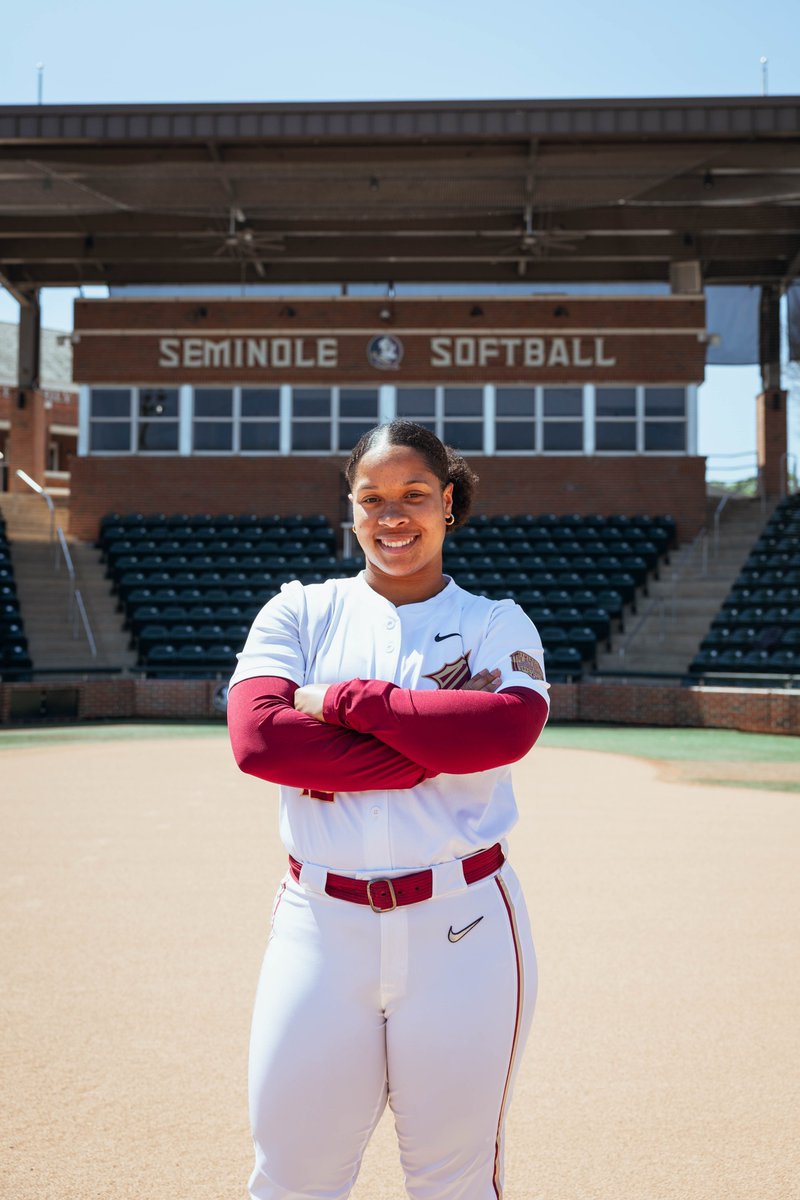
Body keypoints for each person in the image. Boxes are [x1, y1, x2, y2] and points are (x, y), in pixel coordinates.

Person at [227, 420, 550, 1200]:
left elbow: (507, 728)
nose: (392, 515)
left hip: (463, 923)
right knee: (291, 1177)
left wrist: (343, 702)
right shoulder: (298, 612)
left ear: (446, 502)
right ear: (352, 507)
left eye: (412, 496)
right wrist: (432, 743)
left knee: (453, 1179)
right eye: (372, 498)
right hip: (318, 923)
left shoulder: (494, 620)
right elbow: (261, 741)